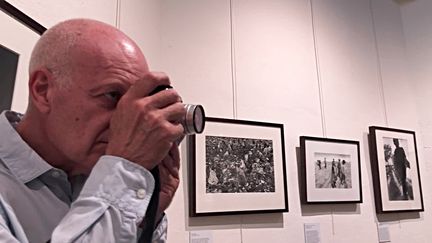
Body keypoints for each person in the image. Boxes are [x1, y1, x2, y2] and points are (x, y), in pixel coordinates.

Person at [0, 18, 186, 242]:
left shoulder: (94, 175)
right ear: (43, 90)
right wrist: (125, 171)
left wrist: (147, 217)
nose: (128, 121)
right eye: (113, 96)